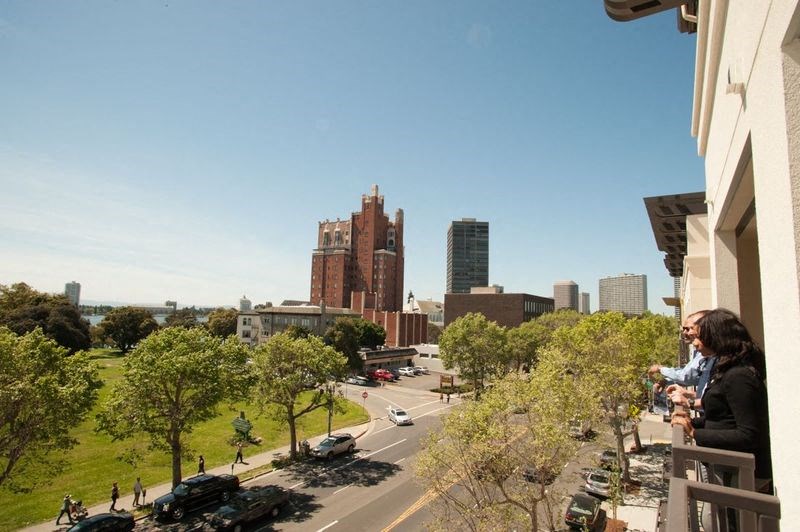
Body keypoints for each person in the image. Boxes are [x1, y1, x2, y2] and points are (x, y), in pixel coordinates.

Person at [671, 309, 772, 488]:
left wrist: (694, 433)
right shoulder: (728, 370)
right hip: (728, 468)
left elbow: (749, 434)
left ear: (716, 338)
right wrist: (693, 422)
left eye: (698, 337)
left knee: (725, 516)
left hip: (741, 476)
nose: (694, 342)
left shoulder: (739, 376)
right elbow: (724, 416)